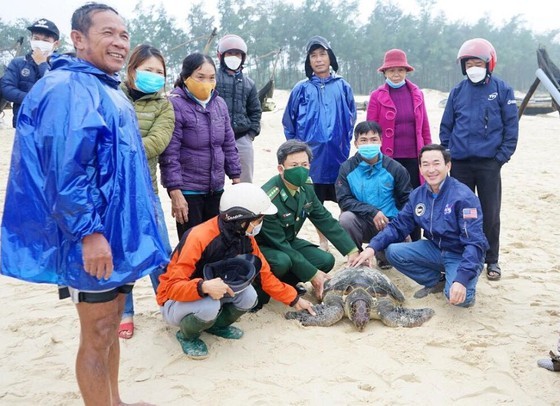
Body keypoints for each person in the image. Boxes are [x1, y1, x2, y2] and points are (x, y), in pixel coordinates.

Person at [0, 3, 168, 405]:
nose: (119, 42)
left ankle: (115, 400)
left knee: (110, 325)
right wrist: (89, 233)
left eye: (124, 34)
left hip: (116, 235)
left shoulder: (106, 87)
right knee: (95, 332)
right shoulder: (68, 88)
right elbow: (66, 171)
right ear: (78, 39)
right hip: (92, 239)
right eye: (107, 33)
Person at [156, 183, 315, 359]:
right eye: (258, 220)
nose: (259, 224)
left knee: (250, 296)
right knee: (210, 306)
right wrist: (203, 287)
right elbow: (170, 287)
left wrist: (294, 299)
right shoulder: (199, 237)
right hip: (175, 301)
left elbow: (265, 275)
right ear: (240, 219)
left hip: (213, 292)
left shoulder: (245, 238)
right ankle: (187, 336)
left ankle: (217, 326)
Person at [350, 144, 488, 307]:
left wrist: (462, 279)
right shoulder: (418, 195)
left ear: (448, 166)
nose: (431, 170)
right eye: (426, 165)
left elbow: (474, 243)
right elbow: (398, 226)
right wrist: (371, 248)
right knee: (393, 251)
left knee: (461, 300)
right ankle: (437, 281)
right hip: (435, 248)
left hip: (460, 253)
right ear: (420, 169)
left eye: (436, 163)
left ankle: (467, 274)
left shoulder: (463, 197)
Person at [440, 38, 519, 282]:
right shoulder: (457, 92)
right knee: (459, 212)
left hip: (489, 164)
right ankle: (461, 254)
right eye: (469, 63)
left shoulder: (502, 90)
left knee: (490, 213)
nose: (473, 67)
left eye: (478, 62)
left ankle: (491, 259)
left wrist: (500, 158)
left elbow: (511, 128)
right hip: (461, 164)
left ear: (488, 63)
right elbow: (446, 127)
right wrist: (449, 154)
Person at [255, 140, 359, 308]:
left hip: (288, 241)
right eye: (294, 165)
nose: (301, 169)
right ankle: (261, 288)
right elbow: (279, 244)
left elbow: (324, 218)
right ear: (281, 169)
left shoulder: (306, 186)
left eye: (304, 164)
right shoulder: (269, 197)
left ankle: (287, 283)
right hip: (265, 246)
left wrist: (352, 250)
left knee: (325, 260)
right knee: (282, 261)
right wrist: (313, 274)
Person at [119, 44, 175, 339]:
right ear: (132, 70)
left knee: (159, 251)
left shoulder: (164, 106)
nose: (154, 76)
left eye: (159, 72)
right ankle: (125, 312)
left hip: (146, 191)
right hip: (113, 194)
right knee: (122, 254)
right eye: (148, 70)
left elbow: (158, 141)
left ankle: (166, 302)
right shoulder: (113, 97)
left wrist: (120, 148)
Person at [282, 35, 356, 250]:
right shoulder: (301, 89)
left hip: (337, 156)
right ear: (308, 61)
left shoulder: (343, 86)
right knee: (314, 203)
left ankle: (348, 241)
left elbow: (351, 118)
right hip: (311, 160)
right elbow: (289, 121)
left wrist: (342, 141)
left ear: (330, 57)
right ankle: (322, 242)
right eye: (313, 55)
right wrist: (297, 151)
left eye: (322, 54)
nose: (319, 59)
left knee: (344, 200)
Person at [160, 52, 241, 241]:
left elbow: (228, 144)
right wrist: (175, 191)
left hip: (216, 188)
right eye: (200, 77)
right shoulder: (175, 105)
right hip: (189, 191)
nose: (207, 82)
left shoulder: (219, 104)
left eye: (211, 77)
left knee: (215, 243)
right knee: (191, 244)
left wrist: (236, 178)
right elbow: (169, 153)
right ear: (186, 77)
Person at [335, 121, 412, 269]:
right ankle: (356, 255)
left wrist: (398, 227)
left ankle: (384, 254)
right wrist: (372, 211)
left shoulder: (395, 168)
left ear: (381, 141)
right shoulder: (346, 168)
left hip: (389, 224)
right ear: (356, 143)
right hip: (361, 223)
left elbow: (407, 201)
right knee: (345, 218)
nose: (369, 144)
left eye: (373, 139)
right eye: (363, 140)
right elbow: (344, 200)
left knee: (390, 260)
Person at [366, 48, 432, 191]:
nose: (396, 74)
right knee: (390, 195)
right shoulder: (376, 96)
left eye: (400, 70)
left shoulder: (418, 94)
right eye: (391, 70)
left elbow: (425, 127)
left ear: (406, 71)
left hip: (414, 157)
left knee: (415, 195)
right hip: (388, 158)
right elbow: (370, 130)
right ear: (385, 73)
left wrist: (428, 151)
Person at [215, 34, 262, 183]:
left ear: (243, 57)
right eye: (229, 53)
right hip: (215, 138)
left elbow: (255, 111)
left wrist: (251, 135)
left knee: (245, 183)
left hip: (241, 138)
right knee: (215, 182)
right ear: (221, 56)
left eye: (237, 54)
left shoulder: (249, 83)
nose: (233, 57)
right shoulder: (212, 79)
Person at [0, 18, 60, 127]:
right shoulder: (18, 63)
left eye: (45, 40)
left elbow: (57, 90)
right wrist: (32, 99)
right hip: (23, 122)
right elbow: (6, 88)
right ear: (30, 39)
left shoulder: (62, 66)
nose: (39, 43)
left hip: (51, 124)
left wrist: (42, 64)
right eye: (36, 38)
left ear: (55, 44)